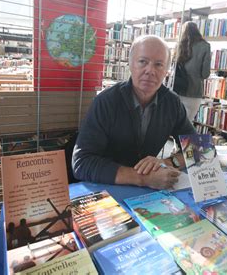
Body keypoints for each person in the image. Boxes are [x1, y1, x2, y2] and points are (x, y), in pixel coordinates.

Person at [72, 35, 196, 190]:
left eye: (158, 64)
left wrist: (167, 162)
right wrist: (143, 178)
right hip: (106, 187)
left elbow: (199, 148)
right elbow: (81, 163)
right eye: (143, 61)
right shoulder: (106, 101)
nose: (150, 71)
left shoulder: (172, 103)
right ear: (130, 65)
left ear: (166, 71)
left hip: (144, 193)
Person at [173, 21, 211, 121]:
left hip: (177, 90)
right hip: (194, 91)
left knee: (173, 123)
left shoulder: (178, 46)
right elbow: (205, 74)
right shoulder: (205, 46)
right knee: (186, 125)